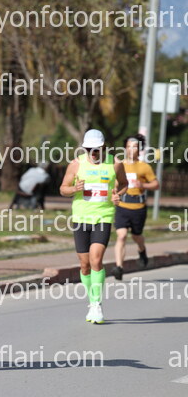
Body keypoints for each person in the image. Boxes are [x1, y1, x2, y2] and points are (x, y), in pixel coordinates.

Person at [60, 129, 128, 324]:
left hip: (103, 217)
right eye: (89, 149)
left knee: (96, 259)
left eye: (96, 149)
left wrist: (118, 195)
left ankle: (97, 304)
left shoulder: (115, 163)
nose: (93, 153)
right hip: (81, 217)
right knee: (84, 264)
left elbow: (124, 183)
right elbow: (63, 188)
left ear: (103, 147)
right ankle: (91, 301)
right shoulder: (76, 164)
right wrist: (74, 189)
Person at [113, 134, 159, 280]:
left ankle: (142, 250)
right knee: (121, 236)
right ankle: (119, 267)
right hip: (122, 206)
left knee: (136, 236)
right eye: (128, 146)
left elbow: (156, 184)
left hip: (138, 207)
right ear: (124, 148)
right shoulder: (120, 165)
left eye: (134, 147)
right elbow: (114, 183)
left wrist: (143, 185)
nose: (131, 149)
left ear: (139, 149)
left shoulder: (144, 167)